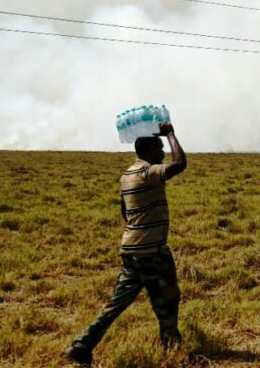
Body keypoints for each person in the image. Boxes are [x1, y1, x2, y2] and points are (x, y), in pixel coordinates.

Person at [64, 122, 187, 366]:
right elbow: (180, 163)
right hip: (151, 251)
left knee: (117, 302)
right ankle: (172, 347)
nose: (163, 153)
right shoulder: (146, 172)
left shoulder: (127, 175)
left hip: (131, 250)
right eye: (159, 148)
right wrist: (171, 134)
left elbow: (124, 212)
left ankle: (81, 345)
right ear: (149, 151)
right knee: (168, 298)